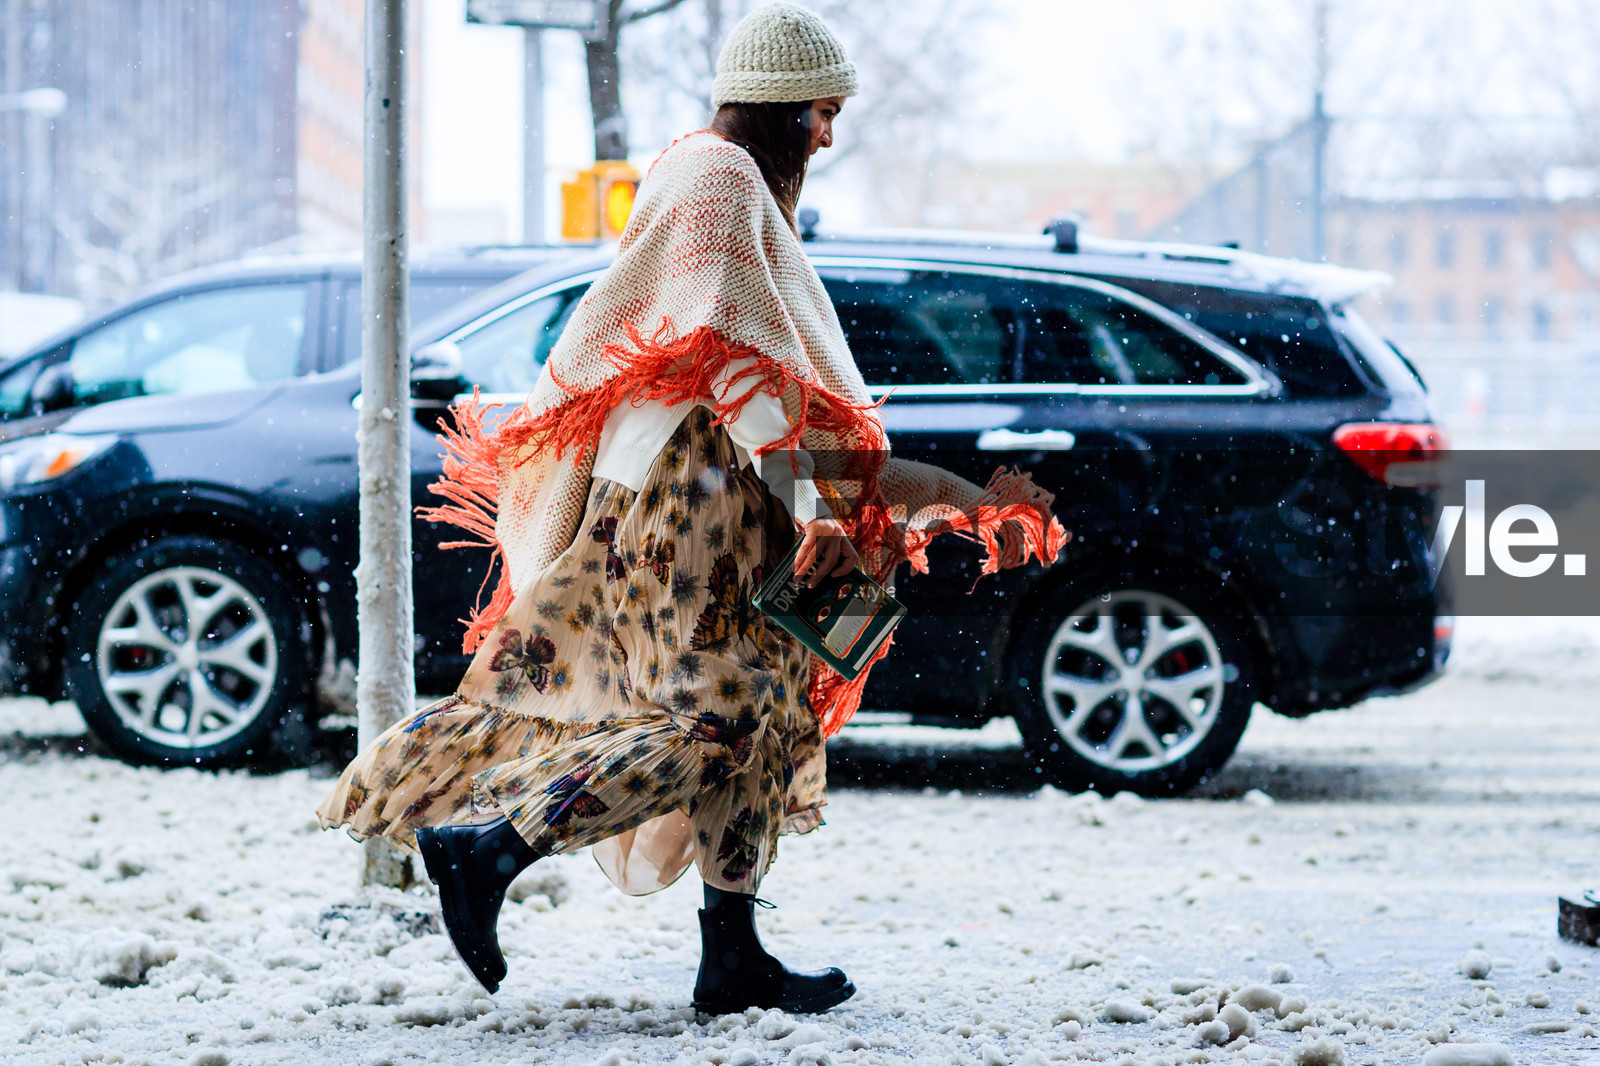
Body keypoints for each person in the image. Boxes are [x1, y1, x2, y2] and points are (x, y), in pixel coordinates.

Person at [316, 1, 1067, 1016]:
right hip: (692, 500)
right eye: (821, 112)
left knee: (765, 713)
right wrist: (824, 507)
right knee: (721, 718)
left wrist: (920, 501)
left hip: (716, 500)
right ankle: (491, 848)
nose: (831, 134)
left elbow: (750, 367)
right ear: (774, 105)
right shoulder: (717, 176)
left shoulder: (725, 174)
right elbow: (727, 358)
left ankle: (731, 952)